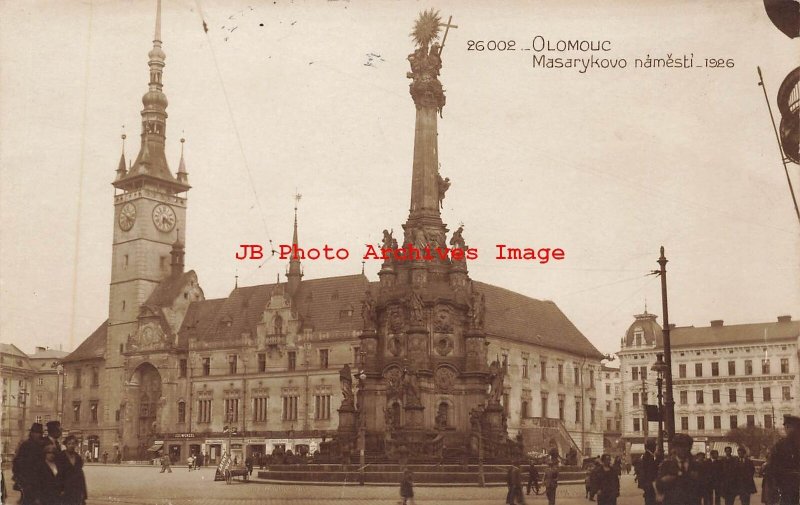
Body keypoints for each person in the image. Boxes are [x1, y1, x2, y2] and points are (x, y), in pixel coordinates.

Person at [655, 433, 701, 505]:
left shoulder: (696, 465)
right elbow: (658, 485)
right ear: (674, 448)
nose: (682, 449)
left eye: (685, 446)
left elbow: (705, 487)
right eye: (679, 446)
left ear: (690, 447)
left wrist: (697, 479)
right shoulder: (666, 465)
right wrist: (664, 480)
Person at [766, 414, 800, 505]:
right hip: (791, 486)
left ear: (788, 427)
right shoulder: (783, 444)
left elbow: (772, 467)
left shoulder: (781, 445)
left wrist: (775, 486)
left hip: (786, 485)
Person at [12, 422, 44, 505]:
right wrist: (21, 479)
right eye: (36, 433)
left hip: (40, 481)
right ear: (32, 433)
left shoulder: (42, 445)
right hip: (28, 481)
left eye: (40, 433)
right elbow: (17, 463)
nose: (38, 435)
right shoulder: (25, 445)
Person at [58, 434, 88, 505]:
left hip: (76, 489)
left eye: (73, 443)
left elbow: (80, 476)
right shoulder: (60, 456)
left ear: (76, 445)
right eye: (69, 443)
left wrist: (83, 493)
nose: (71, 445)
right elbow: (58, 474)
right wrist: (60, 489)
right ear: (65, 445)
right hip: (65, 489)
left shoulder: (78, 458)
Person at [34, 441, 63, 505]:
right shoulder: (40, 466)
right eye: (49, 453)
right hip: (44, 496)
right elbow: (36, 483)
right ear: (45, 454)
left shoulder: (58, 465)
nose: (51, 455)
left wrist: (62, 490)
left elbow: (61, 479)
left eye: (53, 453)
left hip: (57, 495)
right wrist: (37, 498)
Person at [639, 439, 659, 505]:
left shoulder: (649, 456)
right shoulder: (648, 457)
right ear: (651, 447)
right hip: (650, 487)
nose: (656, 447)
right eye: (655, 445)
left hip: (649, 487)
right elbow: (649, 472)